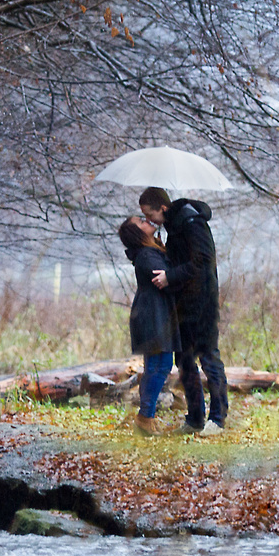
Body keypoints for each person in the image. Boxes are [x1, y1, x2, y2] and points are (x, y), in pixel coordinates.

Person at [139, 186, 226, 434]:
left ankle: (218, 418)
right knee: (185, 362)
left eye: (149, 214)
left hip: (203, 302)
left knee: (209, 359)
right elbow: (181, 259)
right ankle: (195, 418)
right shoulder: (173, 226)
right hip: (183, 304)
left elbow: (204, 261)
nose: (148, 220)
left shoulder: (191, 222)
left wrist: (170, 276)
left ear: (162, 208)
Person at [117, 215, 178, 435]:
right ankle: (145, 418)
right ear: (138, 233)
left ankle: (147, 417)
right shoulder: (146, 255)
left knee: (156, 367)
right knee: (159, 366)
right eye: (141, 221)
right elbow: (165, 280)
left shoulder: (149, 251)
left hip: (153, 314)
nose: (147, 221)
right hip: (153, 317)